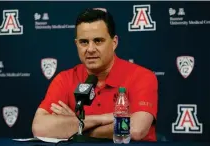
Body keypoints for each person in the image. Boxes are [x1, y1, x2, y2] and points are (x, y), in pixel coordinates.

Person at [32, 8, 158, 141]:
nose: (90, 49)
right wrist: (105, 118)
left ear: (114, 42)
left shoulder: (142, 76)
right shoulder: (65, 79)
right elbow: (39, 128)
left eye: (98, 41)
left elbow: (136, 129)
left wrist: (76, 125)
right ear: (76, 44)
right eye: (84, 42)